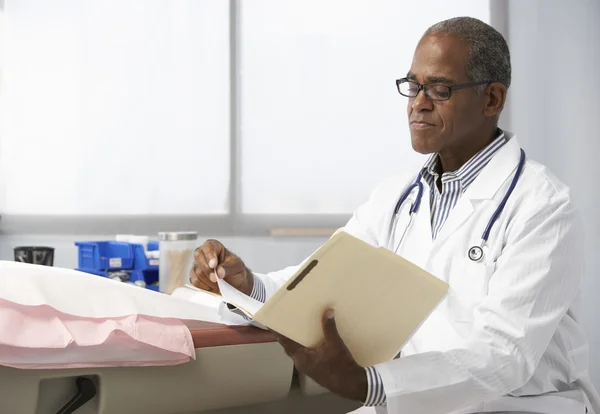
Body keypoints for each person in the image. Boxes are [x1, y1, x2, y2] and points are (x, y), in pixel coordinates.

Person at [189, 17, 600, 414]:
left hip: (515, 407)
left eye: (439, 89)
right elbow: (320, 280)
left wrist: (372, 384)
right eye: (413, 86)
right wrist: (246, 285)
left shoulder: (542, 207)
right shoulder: (396, 197)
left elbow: (505, 355)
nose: (417, 104)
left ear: (491, 99)